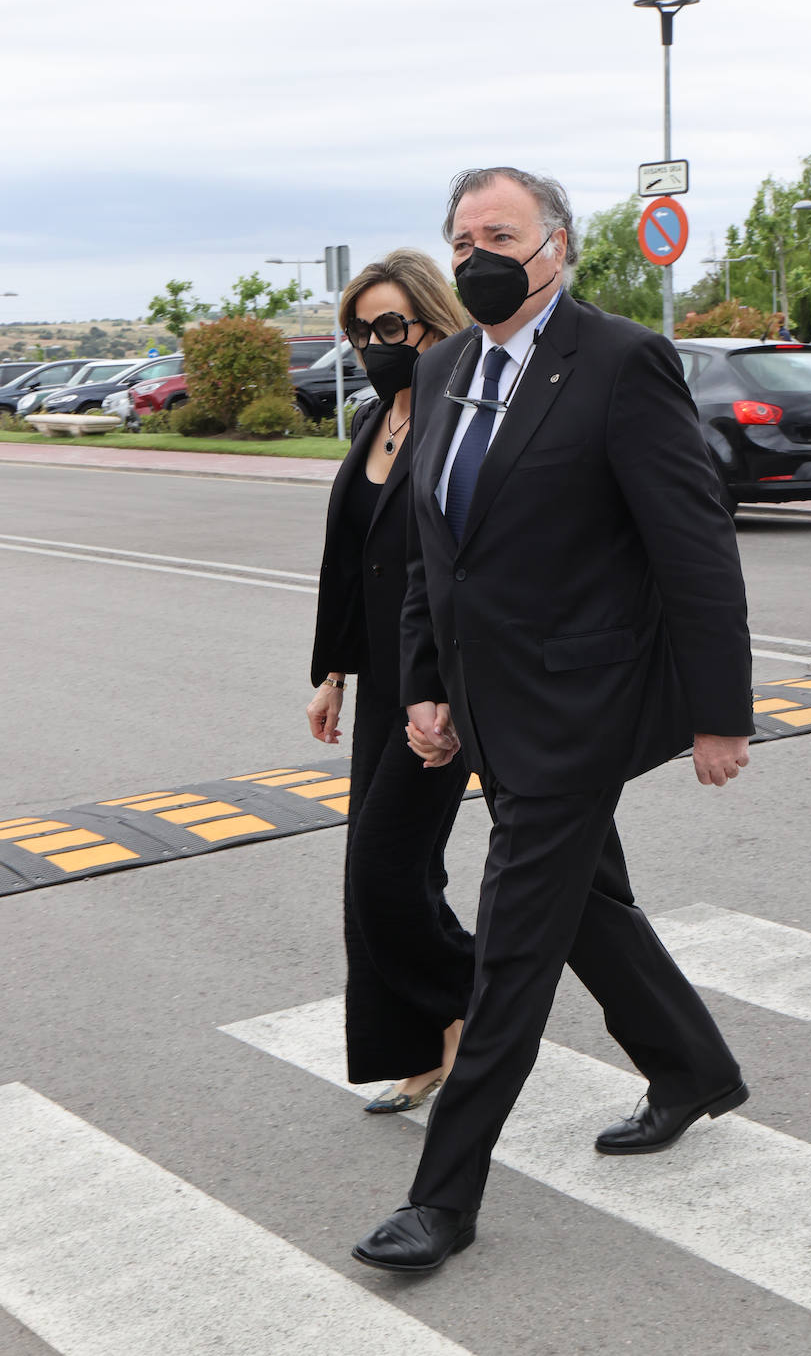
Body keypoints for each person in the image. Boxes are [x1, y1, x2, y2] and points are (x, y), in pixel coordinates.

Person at [352, 168, 754, 1273]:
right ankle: (689, 1066)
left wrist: (721, 712)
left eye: (503, 233)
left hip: (582, 702)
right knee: (581, 900)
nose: (479, 252)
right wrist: (425, 685)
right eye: (463, 235)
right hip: (485, 703)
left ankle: (442, 1201)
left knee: (515, 945)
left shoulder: (620, 362)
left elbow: (692, 546)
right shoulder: (440, 371)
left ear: (557, 247)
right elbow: (441, 551)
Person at [307, 249, 473, 1115]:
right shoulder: (376, 421)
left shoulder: (459, 420)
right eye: (360, 330)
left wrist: (440, 688)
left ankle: (473, 1001)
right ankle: (423, 1042)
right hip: (381, 682)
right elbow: (349, 559)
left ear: (433, 324)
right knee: (382, 869)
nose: (374, 343)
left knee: (386, 868)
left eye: (388, 326)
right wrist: (331, 672)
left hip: (443, 688)